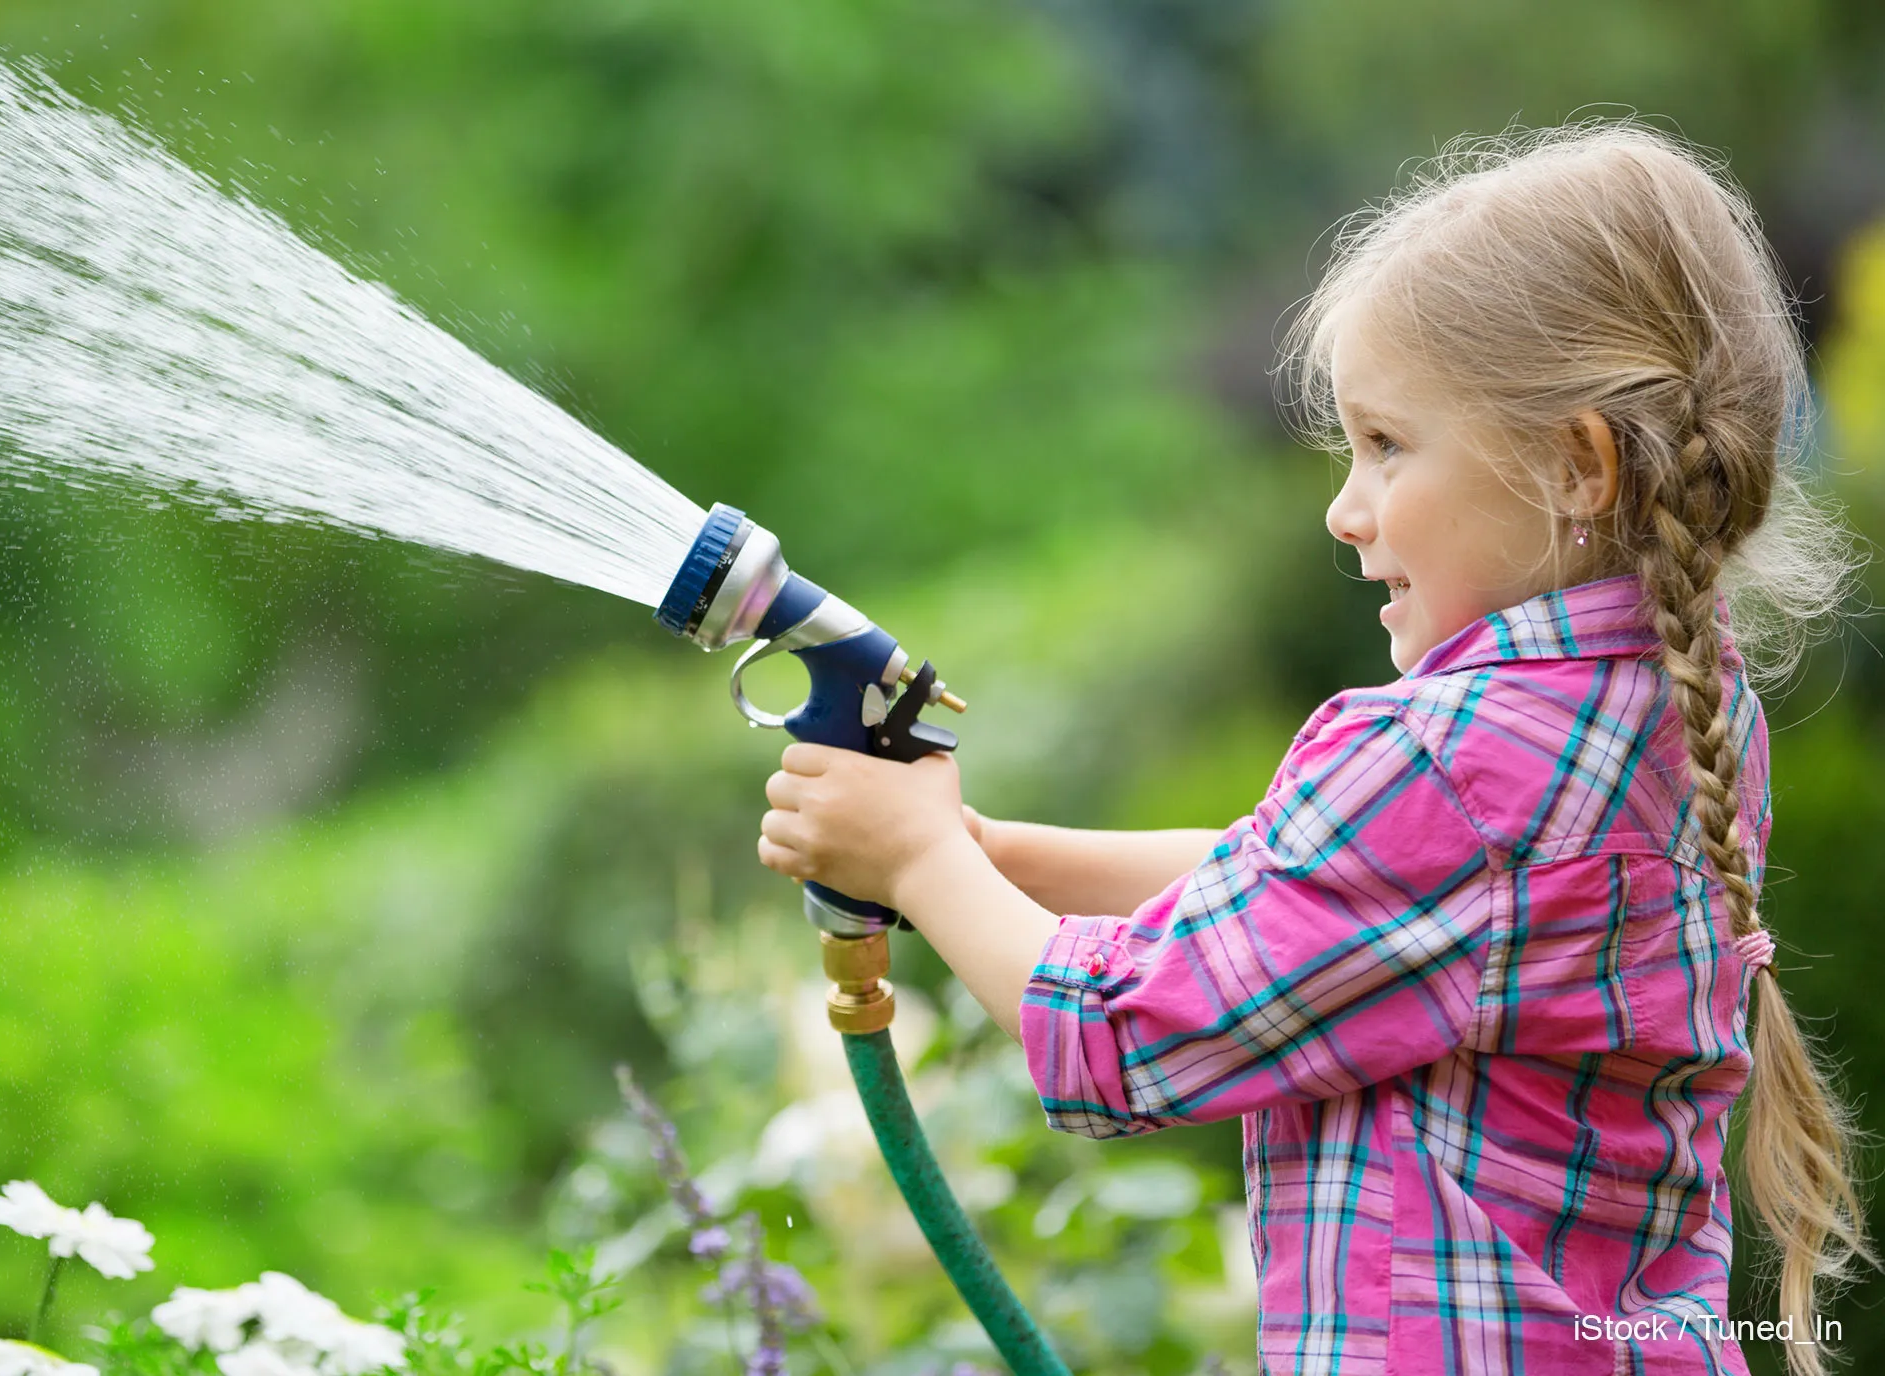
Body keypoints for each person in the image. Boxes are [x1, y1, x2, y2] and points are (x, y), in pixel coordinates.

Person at [753, 120, 1878, 1375]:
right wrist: (991, 853)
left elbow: (1127, 1034)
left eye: (1388, 444)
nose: (1345, 510)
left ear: (1576, 466)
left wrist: (916, 864)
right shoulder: (1670, 701)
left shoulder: (1449, 764)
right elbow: (1290, 891)